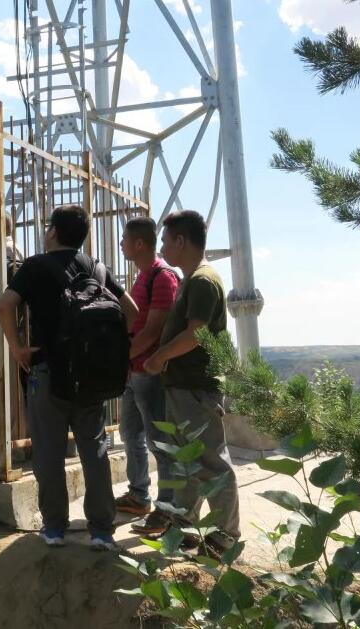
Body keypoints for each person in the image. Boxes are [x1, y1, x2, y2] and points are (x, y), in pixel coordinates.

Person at [0, 204, 138, 551]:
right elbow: (132, 313)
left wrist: (16, 348)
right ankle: (102, 530)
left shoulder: (35, 266)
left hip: (49, 371)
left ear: (53, 232)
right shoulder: (98, 268)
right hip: (92, 377)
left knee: (49, 452)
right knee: (95, 449)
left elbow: (4, 304)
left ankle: (55, 527)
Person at [142, 209, 240, 555]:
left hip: (196, 388)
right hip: (184, 387)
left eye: (166, 241)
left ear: (181, 241)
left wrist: (159, 357)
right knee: (187, 462)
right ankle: (186, 527)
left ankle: (225, 536)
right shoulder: (192, 279)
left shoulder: (202, 280)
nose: (162, 249)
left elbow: (196, 333)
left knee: (211, 463)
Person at [115, 217, 180, 524]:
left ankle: (167, 508)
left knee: (159, 442)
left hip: (150, 372)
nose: (121, 244)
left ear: (139, 244)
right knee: (131, 434)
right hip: (135, 371)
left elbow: (153, 330)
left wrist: (122, 357)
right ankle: (139, 494)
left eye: (124, 239)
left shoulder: (162, 277)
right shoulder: (144, 276)